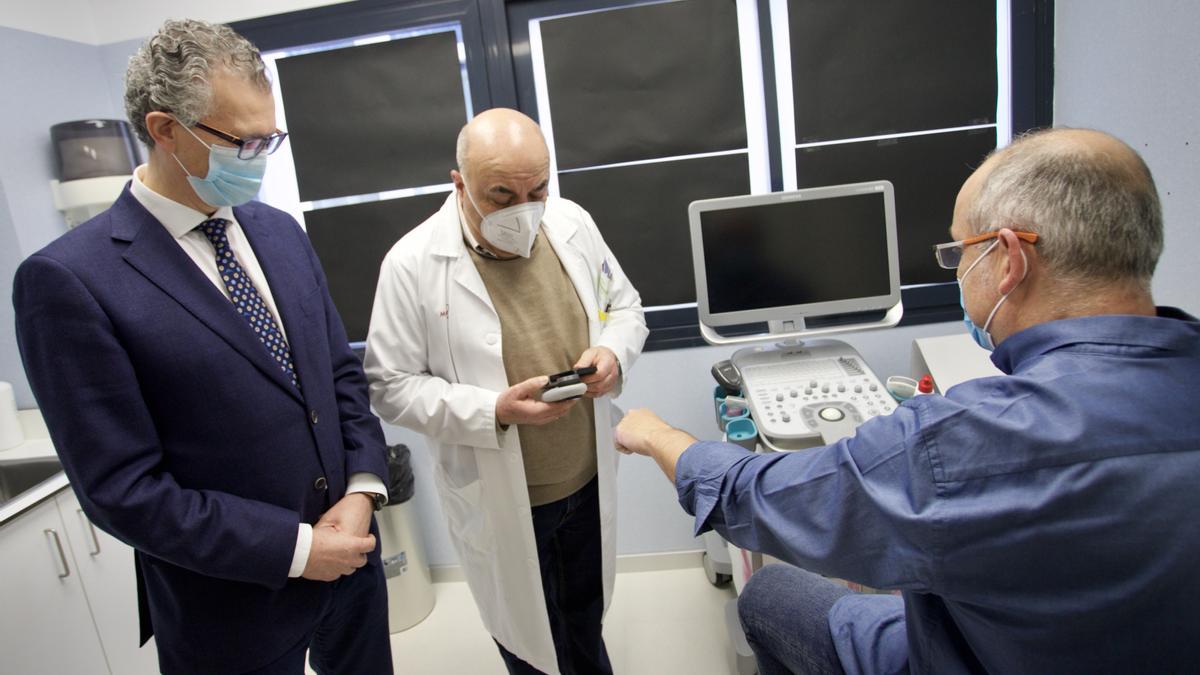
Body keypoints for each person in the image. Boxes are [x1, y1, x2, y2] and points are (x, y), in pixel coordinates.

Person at [613, 128, 1200, 674]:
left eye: (958, 253)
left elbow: (760, 499)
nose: (956, 271)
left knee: (769, 594)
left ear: (1007, 262)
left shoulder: (966, 440)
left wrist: (661, 436)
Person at [13, 20, 392, 675]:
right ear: (165, 130)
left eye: (271, 137)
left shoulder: (277, 232)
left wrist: (362, 490)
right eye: (243, 141)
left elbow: (338, 376)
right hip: (228, 605)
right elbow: (122, 489)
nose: (260, 156)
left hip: (352, 565)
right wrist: (298, 548)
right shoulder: (72, 280)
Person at [364, 108, 647, 675]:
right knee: (529, 643)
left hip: (587, 478)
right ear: (459, 182)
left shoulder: (572, 222)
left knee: (584, 619)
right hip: (503, 495)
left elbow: (626, 306)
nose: (524, 210)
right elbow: (389, 386)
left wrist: (613, 352)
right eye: (500, 195)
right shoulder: (412, 263)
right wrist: (490, 409)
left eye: (537, 188)